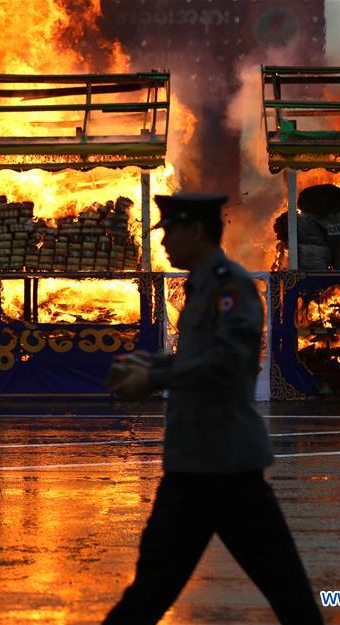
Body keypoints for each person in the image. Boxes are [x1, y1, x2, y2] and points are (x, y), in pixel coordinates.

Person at [102, 192, 323, 625]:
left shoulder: (230, 285)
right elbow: (199, 357)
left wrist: (156, 376)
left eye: (170, 232)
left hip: (227, 466)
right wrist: (153, 364)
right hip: (191, 464)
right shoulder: (202, 284)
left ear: (196, 231)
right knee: (150, 589)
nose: (164, 244)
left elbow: (228, 362)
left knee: (287, 593)